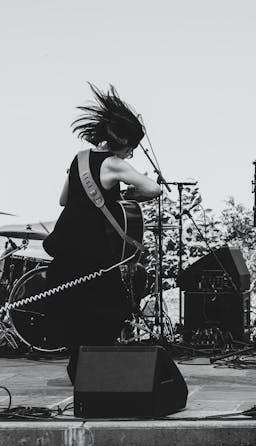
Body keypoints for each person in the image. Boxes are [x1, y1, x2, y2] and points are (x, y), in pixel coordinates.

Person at [41, 83, 161, 384]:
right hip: (93, 250)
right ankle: (94, 373)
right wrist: (127, 196)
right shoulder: (115, 164)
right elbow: (153, 188)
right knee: (109, 310)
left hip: (67, 244)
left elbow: (64, 200)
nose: (132, 152)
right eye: (131, 146)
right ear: (120, 141)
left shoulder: (79, 159)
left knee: (74, 311)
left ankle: (80, 367)